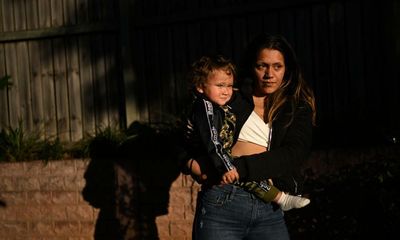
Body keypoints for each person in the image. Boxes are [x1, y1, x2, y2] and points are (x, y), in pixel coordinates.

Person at [184, 34, 316, 240]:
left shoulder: (296, 107)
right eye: (262, 66)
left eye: (277, 67)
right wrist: (189, 162)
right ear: (252, 67)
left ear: (287, 69)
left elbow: (294, 153)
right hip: (223, 199)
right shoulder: (231, 97)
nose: (269, 74)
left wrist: (238, 168)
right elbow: (189, 128)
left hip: (269, 206)